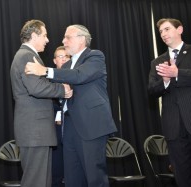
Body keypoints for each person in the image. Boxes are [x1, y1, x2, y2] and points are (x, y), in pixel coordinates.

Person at [25, 24, 117, 187]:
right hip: (69, 126)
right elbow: (59, 87)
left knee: (94, 177)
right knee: (72, 177)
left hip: (91, 125)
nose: (63, 40)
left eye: (68, 37)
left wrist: (45, 71)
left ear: (82, 39)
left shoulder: (95, 56)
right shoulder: (66, 66)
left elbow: (80, 75)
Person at [10, 20, 73, 187]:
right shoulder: (26, 55)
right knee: (35, 182)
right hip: (34, 132)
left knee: (42, 181)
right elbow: (36, 87)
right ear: (33, 36)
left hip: (36, 132)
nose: (47, 40)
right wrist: (62, 90)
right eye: (44, 35)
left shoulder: (27, 55)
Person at [148, 18, 191, 187]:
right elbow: (151, 90)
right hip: (173, 126)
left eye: (167, 29)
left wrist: (178, 73)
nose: (163, 34)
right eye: (160, 32)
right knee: (181, 173)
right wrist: (165, 80)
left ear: (179, 29)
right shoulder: (157, 62)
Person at [51, 46, 70, 187]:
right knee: (56, 172)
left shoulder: (78, 78)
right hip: (55, 133)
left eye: (66, 56)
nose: (63, 59)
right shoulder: (48, 81)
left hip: (74, 131)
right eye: (60, 56)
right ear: (54, 61)